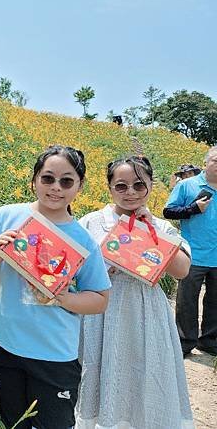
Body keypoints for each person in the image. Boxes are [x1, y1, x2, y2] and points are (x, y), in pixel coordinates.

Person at [0, 145, 111, 429]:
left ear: (79, 186)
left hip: (54, 354)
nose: (56, 188)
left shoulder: (83, 241)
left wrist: (62, 298)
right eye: (47, 178)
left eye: (66, 181)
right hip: (1, 343)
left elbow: (100, 299)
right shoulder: (7, 216)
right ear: (33, 180)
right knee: (9, 423)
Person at [75, 155, 194, 429]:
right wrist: (102, 271)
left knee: (147, 373)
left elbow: (181, 270)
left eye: (139, 185)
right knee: (101, 372)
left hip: (146, 312)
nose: (130, 193)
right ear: (109, 188)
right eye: (121, 186)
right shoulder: (92, 222)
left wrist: (152, 231)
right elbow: (73, 271)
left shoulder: (162, 227)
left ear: (151, 186)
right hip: (101, 311)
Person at [164, 146, 217, 357]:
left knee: (215, 302)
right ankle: (185, 342)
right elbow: (168, 211)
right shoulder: (188, 185)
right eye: (215, 161)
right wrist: (193, 209)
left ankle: (209, 340)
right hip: (193, 254)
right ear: (205, 163)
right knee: (187, 301)